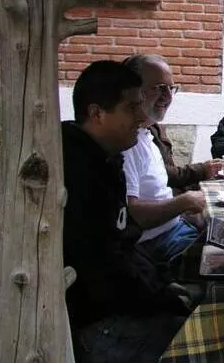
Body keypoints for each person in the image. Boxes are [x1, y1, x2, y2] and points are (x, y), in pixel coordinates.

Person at [63, 61, 194, 363]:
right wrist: (162, 297)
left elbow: (125, 245)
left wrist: (163, 285)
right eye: (132, 107)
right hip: (98, 326)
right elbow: (104, 273)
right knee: (208, 343)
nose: (140, 116)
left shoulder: (108, 158)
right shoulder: (78, 173)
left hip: (123, 302)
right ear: (96, 114)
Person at [121, 54, 217, 265]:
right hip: (156, 244)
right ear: (133, 91)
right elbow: (133, 214)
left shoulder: (146, 134)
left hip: (175, 230)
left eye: (171, 88)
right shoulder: (126, 144)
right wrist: (184, 202)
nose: (168, 96)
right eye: (159, 87)